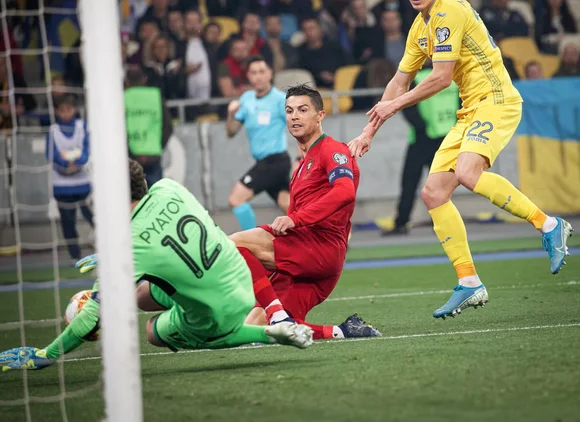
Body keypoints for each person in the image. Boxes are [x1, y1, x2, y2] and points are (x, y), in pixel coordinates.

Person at [348, 0, 573, 319]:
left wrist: (394, 107)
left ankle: (549, 226)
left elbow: (440, 77)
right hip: (471, 110)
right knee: (433, 192)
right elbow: (398, 81)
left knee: (468, 173)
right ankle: (470, 282)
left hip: (496, 100)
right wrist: (367, 131)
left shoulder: (449, 11)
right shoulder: (420, 28)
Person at [0, 160, 312, 371]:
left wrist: (46, 355)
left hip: (218, 314)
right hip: (238, 276)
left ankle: (268, 333)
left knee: (152, 331)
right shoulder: (169, 187)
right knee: (141, 294)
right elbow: (162, 239)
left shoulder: (127, 243)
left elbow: (91, 321)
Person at [231, 85, 381, 340]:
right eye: (289, 111)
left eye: (303, 110)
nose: (294, 117)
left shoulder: (332, 149)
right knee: (259, 330)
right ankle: (342, 331)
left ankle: (274, 310)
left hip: (317, 247)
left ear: (320, 116)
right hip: (312, 259)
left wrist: (295, 218)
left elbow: (345, 192)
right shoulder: (302, 165)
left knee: (232, 244)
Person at [383, 61, 459, 236]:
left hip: (422, 138)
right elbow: (462, 104)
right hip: (447, 137)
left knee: (409, 183)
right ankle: (444, 224)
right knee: (440, 186)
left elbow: (407, 107)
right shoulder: (451, 77)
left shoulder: (417, 78)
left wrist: (422, 127)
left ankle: (401, 223)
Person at [226, 56, 291, 230]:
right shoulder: (246, 99)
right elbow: (231, 132)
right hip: (264, 162)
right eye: (254, 73)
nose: (258, 76)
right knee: (290, 207)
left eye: (262, 71)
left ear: (270, 74)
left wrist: (302, 155)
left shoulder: (280, 99)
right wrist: (231, 114)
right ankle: (317, 240)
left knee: (236, 199)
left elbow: (297, 127)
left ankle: (252, 243)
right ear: (248, 76)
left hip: (276, 161)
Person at [46, 94, 94, 260]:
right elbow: (51, 155)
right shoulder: (53, 131)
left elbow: (87, 150)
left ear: (74, 110)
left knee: (93, 218)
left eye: (68, 109)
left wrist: (78, 162)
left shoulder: (82, 127)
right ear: (57, 112)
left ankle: (103, 249)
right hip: (62, 186)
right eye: (62, 110)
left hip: (83, 184)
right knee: (68, 223)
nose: (65, 113)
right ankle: (76, 257)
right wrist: (66, 166)